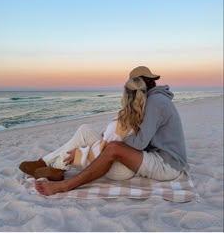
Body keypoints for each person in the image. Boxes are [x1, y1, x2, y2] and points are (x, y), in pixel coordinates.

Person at [29, 65, 188, 196]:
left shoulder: (155, 102)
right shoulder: (152, 100)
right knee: (86, 131)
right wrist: (103, 141)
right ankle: (51, 165)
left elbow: (138, 144)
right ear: (152, 82)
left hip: (166, 164)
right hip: (153, 156)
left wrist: (92, 150)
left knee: (113, 148)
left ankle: (65, 184)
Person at [19, 76, 148, 181]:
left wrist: (81, 152)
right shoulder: (142, 113)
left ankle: (56, 167)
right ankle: (46, 162)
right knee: (84, 130)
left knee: (82, 135)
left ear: (126, 95)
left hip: (118, 169)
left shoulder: (123, 122)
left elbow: (106, 152)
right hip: (126, 164)